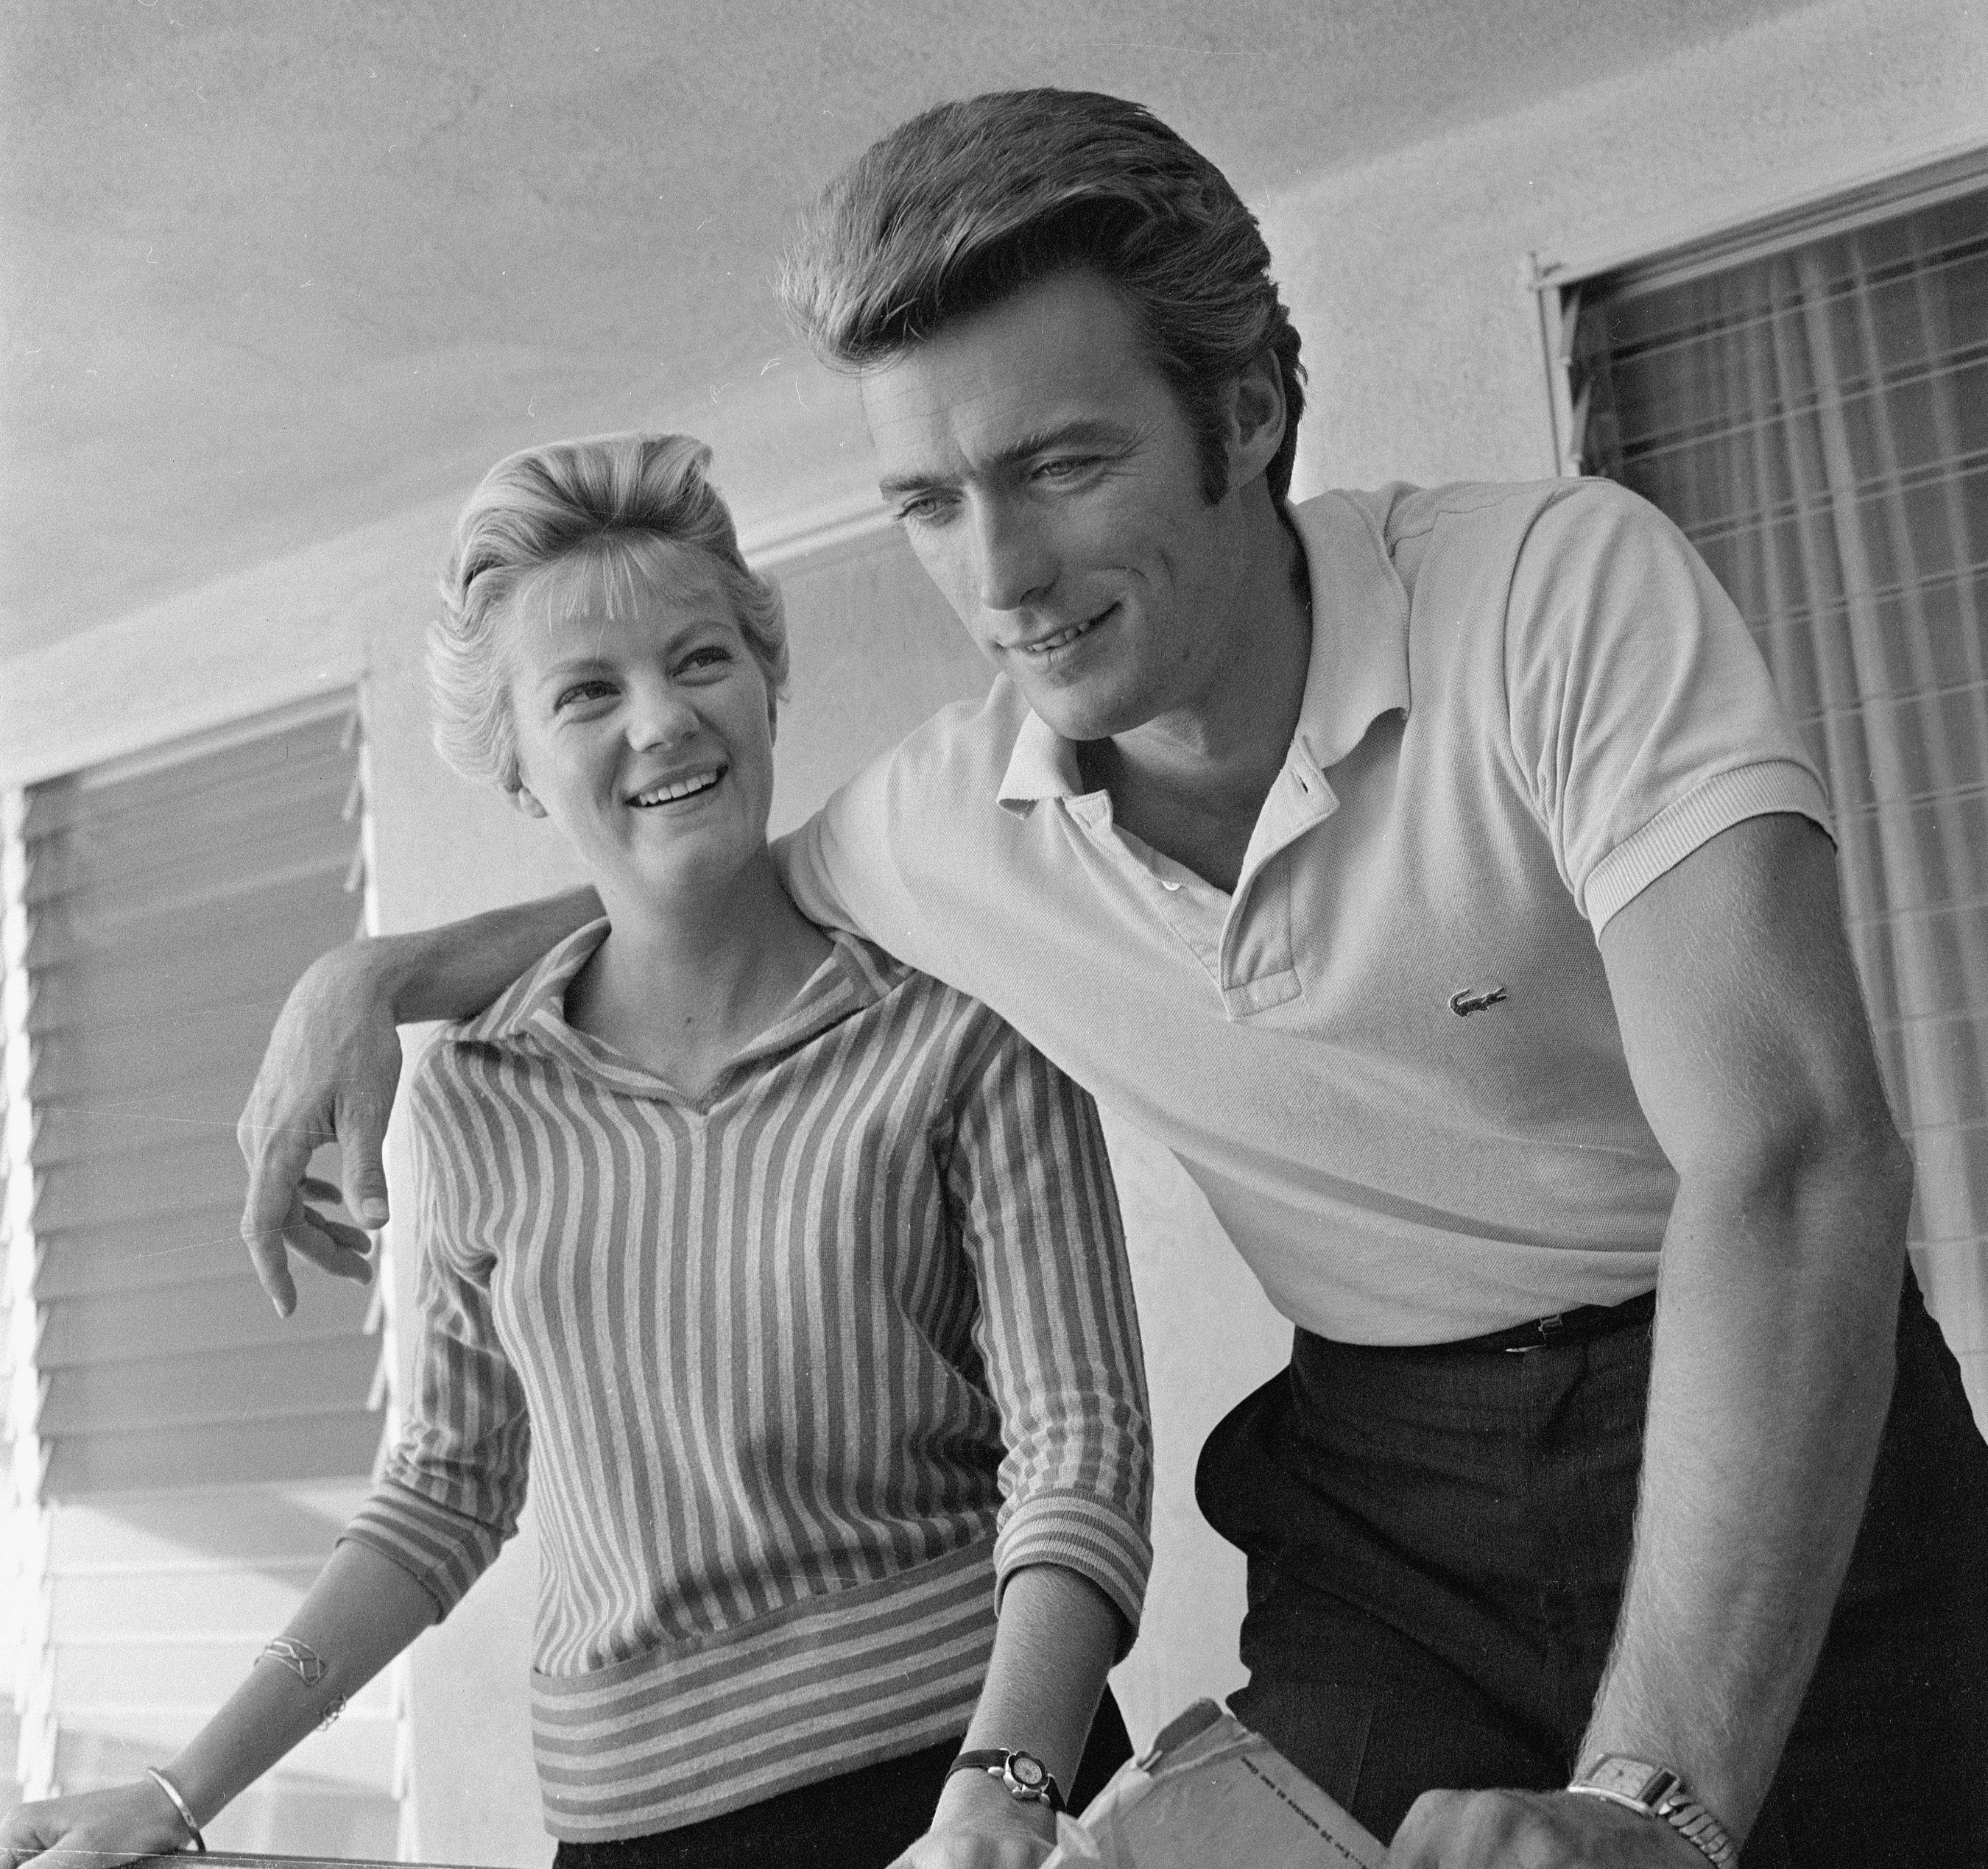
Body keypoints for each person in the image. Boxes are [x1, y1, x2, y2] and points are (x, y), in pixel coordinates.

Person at [227, 91, 1984, 1868]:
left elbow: (1794, 1157)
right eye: (929, 503)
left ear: (1247, 410)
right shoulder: (948, 828)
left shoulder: (1557, 595)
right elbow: (698, 882)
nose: (998, 579)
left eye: (1061, 467)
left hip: (1751, 1391)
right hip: (1383, 1499)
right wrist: (368, 978)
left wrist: (1651, 1805)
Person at [0, 431, 1153, 1869]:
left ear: (769, 677)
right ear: (518, 768)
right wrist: (181, 1793)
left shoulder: (962, 1025)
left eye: (702, 660)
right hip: (634, 1833)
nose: (663, 722)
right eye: (589, 693)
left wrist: (1010, 1779)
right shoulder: (476, 1099)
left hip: (969, 1796)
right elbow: (445, 1486)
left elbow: (1081, 1447)